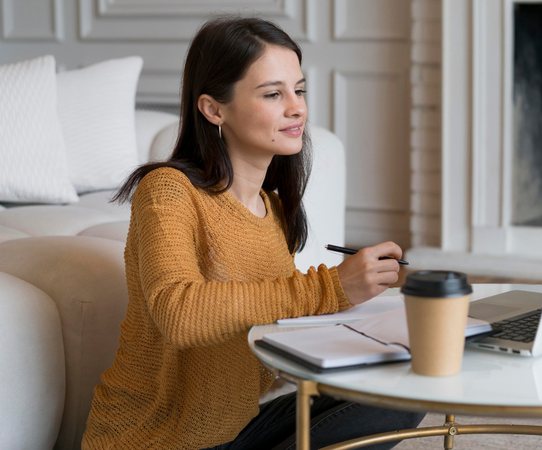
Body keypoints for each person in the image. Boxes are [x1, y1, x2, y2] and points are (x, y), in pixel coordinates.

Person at [82, 16, 424, 449]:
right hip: (158, 439)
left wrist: (365, 321)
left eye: (299, 90)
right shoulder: (168, 191)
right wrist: (332, 286)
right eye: (272, 94)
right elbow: (179, 313)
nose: (296, 107)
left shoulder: (274, 207)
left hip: (237, 428)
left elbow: (267, 324)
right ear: (213, 108)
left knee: (402, 395)